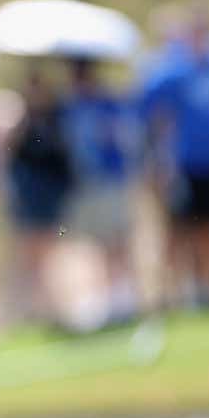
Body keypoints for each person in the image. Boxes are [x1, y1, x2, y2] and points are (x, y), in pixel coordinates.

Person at [138, 2, 209, 307]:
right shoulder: (174, 70)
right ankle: (183, 291)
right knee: (182, 228)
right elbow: (150, 109)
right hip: (183, 164)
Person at [62, 58, 140, 321]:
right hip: (81, 183)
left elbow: (125, 137)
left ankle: (122, 294)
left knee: (115, 238)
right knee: (92, 242)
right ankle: (99, 296)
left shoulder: (109, 104)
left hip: (109, 179)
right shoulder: (67, 107)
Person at [7, 69, 72, 322]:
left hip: (51, 198)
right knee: (29, 254)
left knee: (52, 251)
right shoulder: (19, 122)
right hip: (26, 197)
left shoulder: (55, 121)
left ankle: (50, 306)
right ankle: (31, 308)